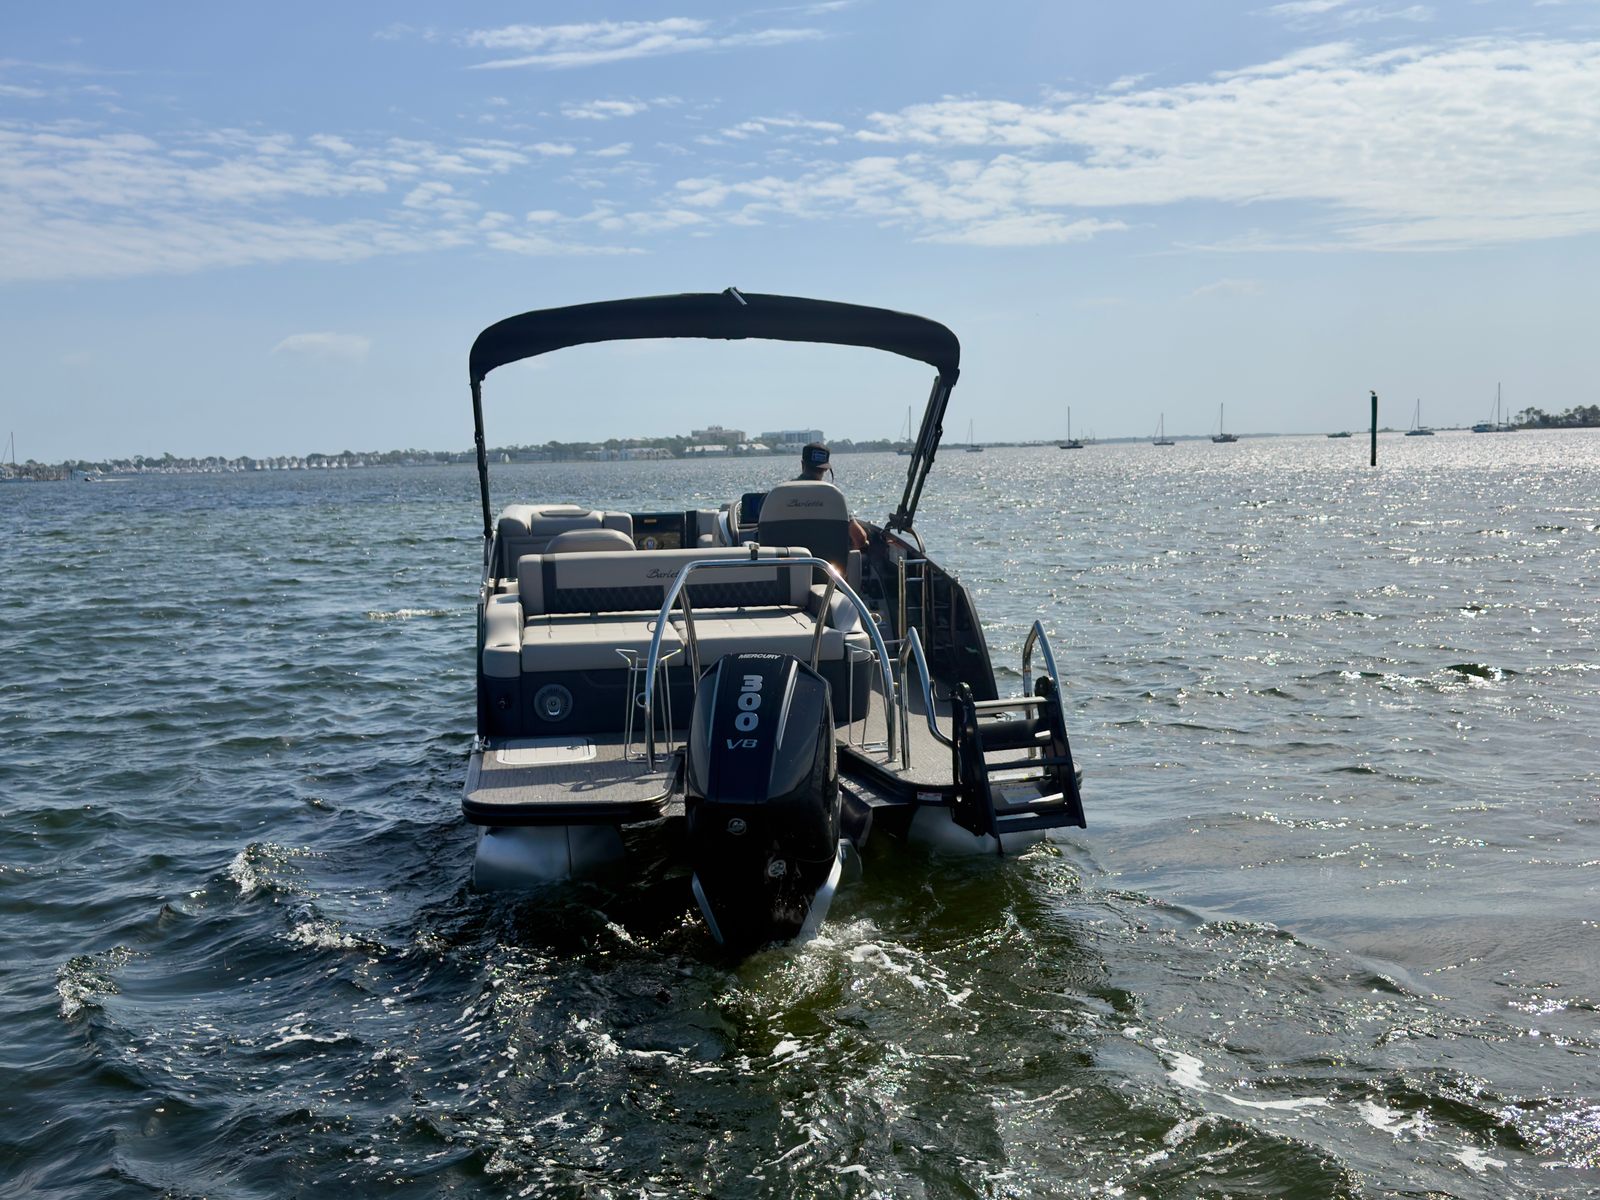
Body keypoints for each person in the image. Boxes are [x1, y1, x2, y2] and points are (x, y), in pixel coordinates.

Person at [794, 442, 869, 551]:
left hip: (787, 560)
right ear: (826, 469)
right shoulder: (833, 496)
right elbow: (860, 538)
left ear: (802, 464)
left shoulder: (779, 493)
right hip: (827, 561)